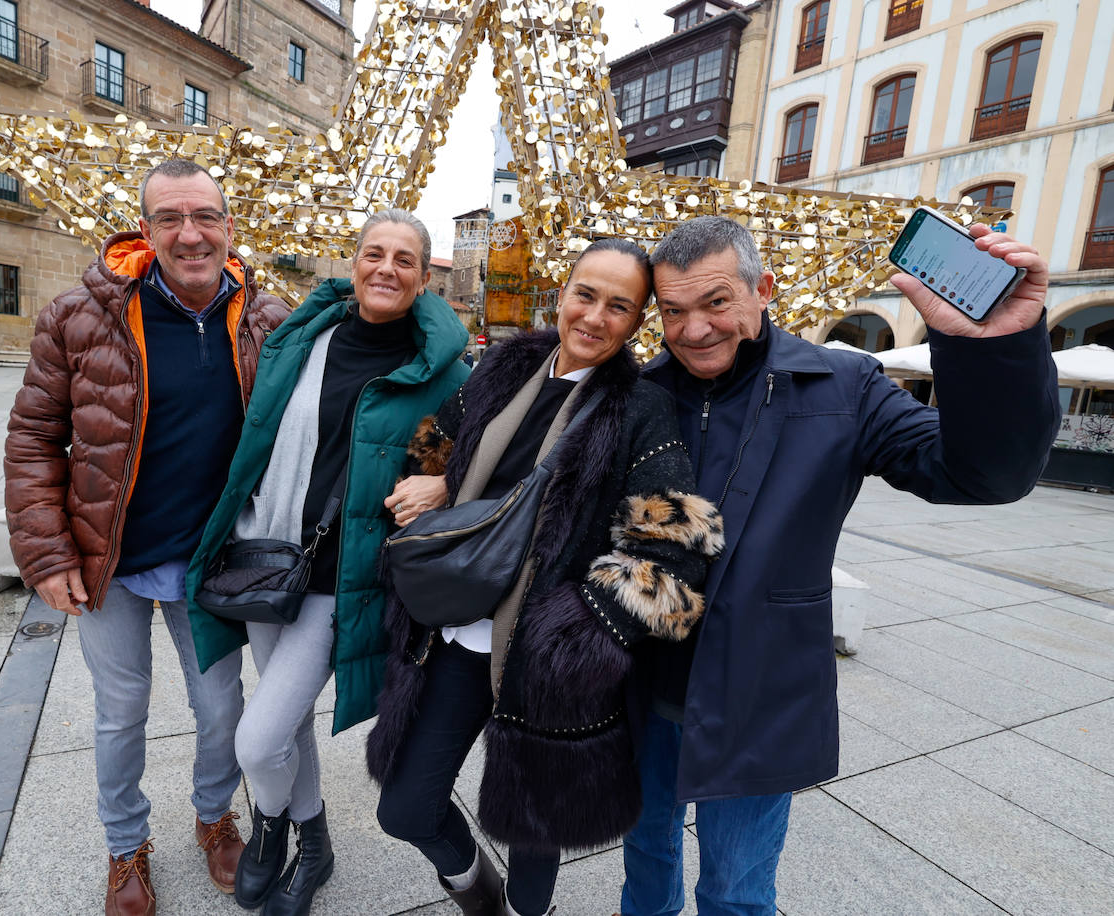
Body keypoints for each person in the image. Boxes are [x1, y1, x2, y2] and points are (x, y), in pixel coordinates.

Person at [619, 215, 1060, 915]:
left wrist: (992, 350)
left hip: (759, 696)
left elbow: (983, 475)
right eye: (672, 310)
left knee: (736, 890)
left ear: (762, 289)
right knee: (645, 862)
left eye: (715, 303)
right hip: (642, 689)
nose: (693, 329)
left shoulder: (843, 385)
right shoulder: (639, 393)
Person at [368, 238, 725, 916]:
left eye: (619, 306)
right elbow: (431, 444)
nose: (595, 316)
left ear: (637, 322)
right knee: (406, 808)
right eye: (586, 294)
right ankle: (475, 888)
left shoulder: (639, 408)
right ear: (561, 294)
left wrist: (575, 634)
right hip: (453, 638)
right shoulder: (504, 366)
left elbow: (679, 556)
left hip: (548, 663)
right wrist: (439, 481)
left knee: (536, 836)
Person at [4, 159, 289, 916]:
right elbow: (34, 437)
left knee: (223, 708)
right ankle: (126, 848)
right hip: (110, 558)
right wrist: (46, 552)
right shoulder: (79, 315)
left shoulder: (268, 317)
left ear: (230, 227)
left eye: (205, 216)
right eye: (169, 218)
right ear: (146, 229)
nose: (189, 233)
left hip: (211, 563)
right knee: (120, 710)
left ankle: (212, 817)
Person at [185, 209, 471, 916]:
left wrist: (445, 478)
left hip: (341, 580)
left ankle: (274, 824)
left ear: (424, 276)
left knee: (258, 739)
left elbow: (475, 459)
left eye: (405, 259)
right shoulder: (305, 336)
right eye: (375, 253)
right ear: (354, 262)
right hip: (263, 555)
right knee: (289, 727)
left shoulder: (445, 371)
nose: (387, 268)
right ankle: (314, 844)